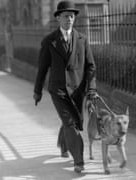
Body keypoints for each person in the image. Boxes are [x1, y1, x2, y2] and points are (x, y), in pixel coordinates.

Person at [33, 0, 97, 173]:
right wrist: (37, 91)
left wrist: (92, 88)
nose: (69, 19)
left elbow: (91, 66)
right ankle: (79, 161)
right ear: (58, 18)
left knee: (74, 121)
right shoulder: (50, 41)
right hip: (59, 90)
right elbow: (43, 68)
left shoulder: (83, 40)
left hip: (77, 90)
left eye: (72, 16)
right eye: (65, 16)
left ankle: (63, 144)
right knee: (71, 123)